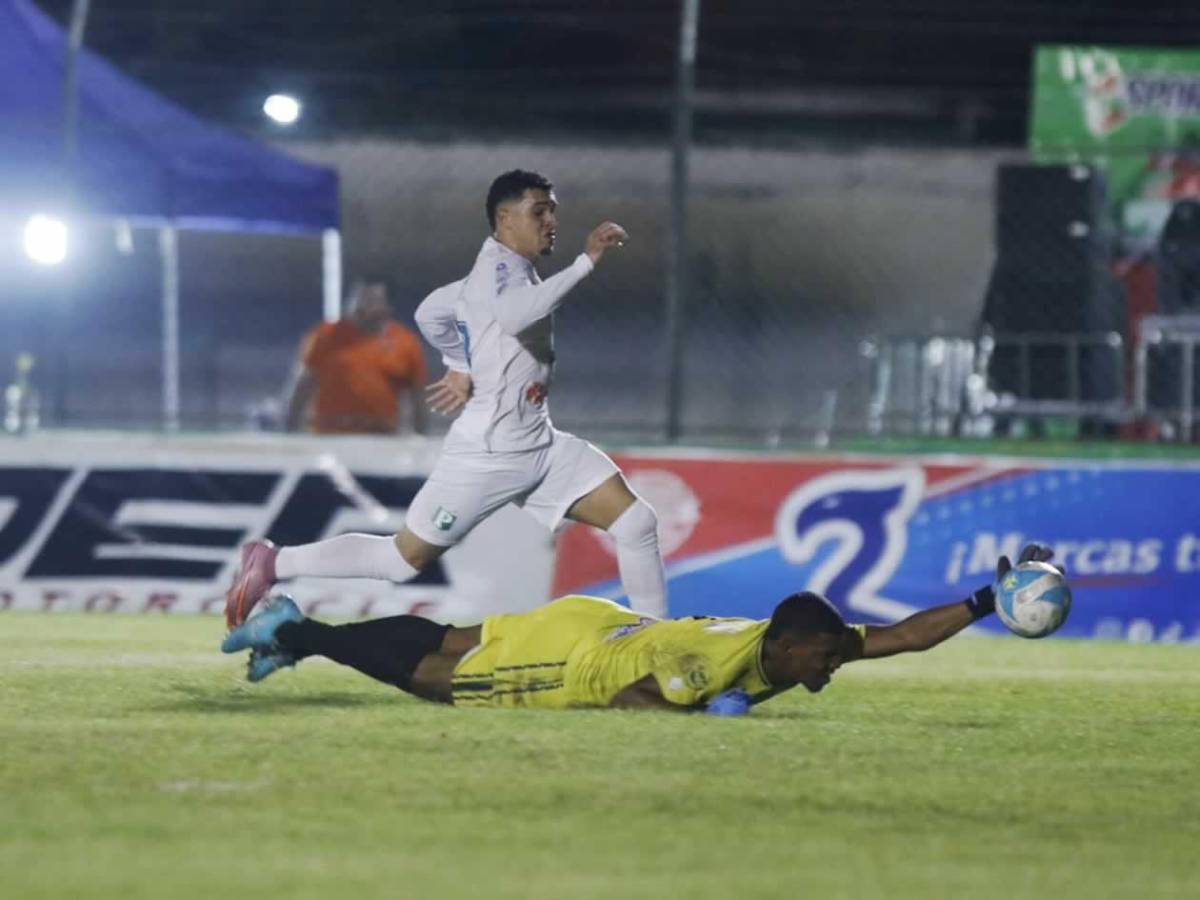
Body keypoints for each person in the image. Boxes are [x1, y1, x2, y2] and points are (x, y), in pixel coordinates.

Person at [226, 169, 665, 627]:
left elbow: (431, 310)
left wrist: (459, 363)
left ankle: (654, 642)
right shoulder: (498, 272)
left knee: (636, 523)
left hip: (539, 445)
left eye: (553, 209)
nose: (551, 220)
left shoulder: (505, 270)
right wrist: (586, 262)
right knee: (400, 561)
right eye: (539, 211)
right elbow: (515, 315)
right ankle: (272, 563)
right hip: (488, 454)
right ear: (505, 218)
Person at [221, 543, 1057, 714]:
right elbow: (634, 705)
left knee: (448, 637)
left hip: (601, 618)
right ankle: (298, 633)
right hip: (584, 659)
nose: (833, 670)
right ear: (790, 648)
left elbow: (906, 634)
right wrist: (710, 721)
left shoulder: (805, 640)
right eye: (826, 662)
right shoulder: (713, 662)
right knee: (432, 679)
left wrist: (989, 598)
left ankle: (297, 634)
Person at [283, 279, 429, 435]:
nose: (361, 307)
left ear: (387, 307)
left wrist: (421, 436)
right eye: (357, 300)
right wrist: (289, 431)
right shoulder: (325, 337)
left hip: (382, 441)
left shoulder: (405, 343)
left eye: (371, 301)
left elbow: (417, 395)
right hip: (330, 437)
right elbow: (302, 385)